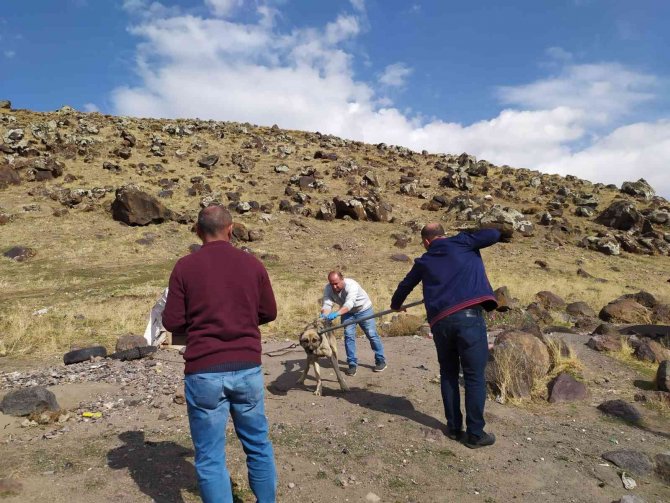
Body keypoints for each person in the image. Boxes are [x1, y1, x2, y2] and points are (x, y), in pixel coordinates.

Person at [162, 205, 278, 503]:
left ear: (198, 232)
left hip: (203, 371)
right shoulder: (252, 265)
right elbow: (268, 312)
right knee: (258, 446)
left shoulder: (184, 267)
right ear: (231, 228)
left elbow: (172, 322)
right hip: (247, 367)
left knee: (210, 457)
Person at [390, 222, 510, 449]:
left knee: (449, 374)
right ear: (443, 235)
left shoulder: (424, 261)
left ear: (426, 241)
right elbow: (494, 234)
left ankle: (454, 428)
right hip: (468, 319)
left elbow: (405, 285)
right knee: (474, 377)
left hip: (440, 323)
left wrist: (396, 305)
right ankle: (475, 435)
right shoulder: (463, 242)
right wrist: (471, 232)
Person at [321, 271, 387, 375]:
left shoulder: (352, 285)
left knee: (371, 334)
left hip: (363, 310)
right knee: (348, 335)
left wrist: (336, 314)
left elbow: (349, 304)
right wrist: (324, 315)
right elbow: (327, 304)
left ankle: (380, 360)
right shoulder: (328, 288)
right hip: (347, 313)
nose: (334, 286)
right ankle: (352, 364)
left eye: (336, 283)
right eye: (331, 283)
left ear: (342, 279)